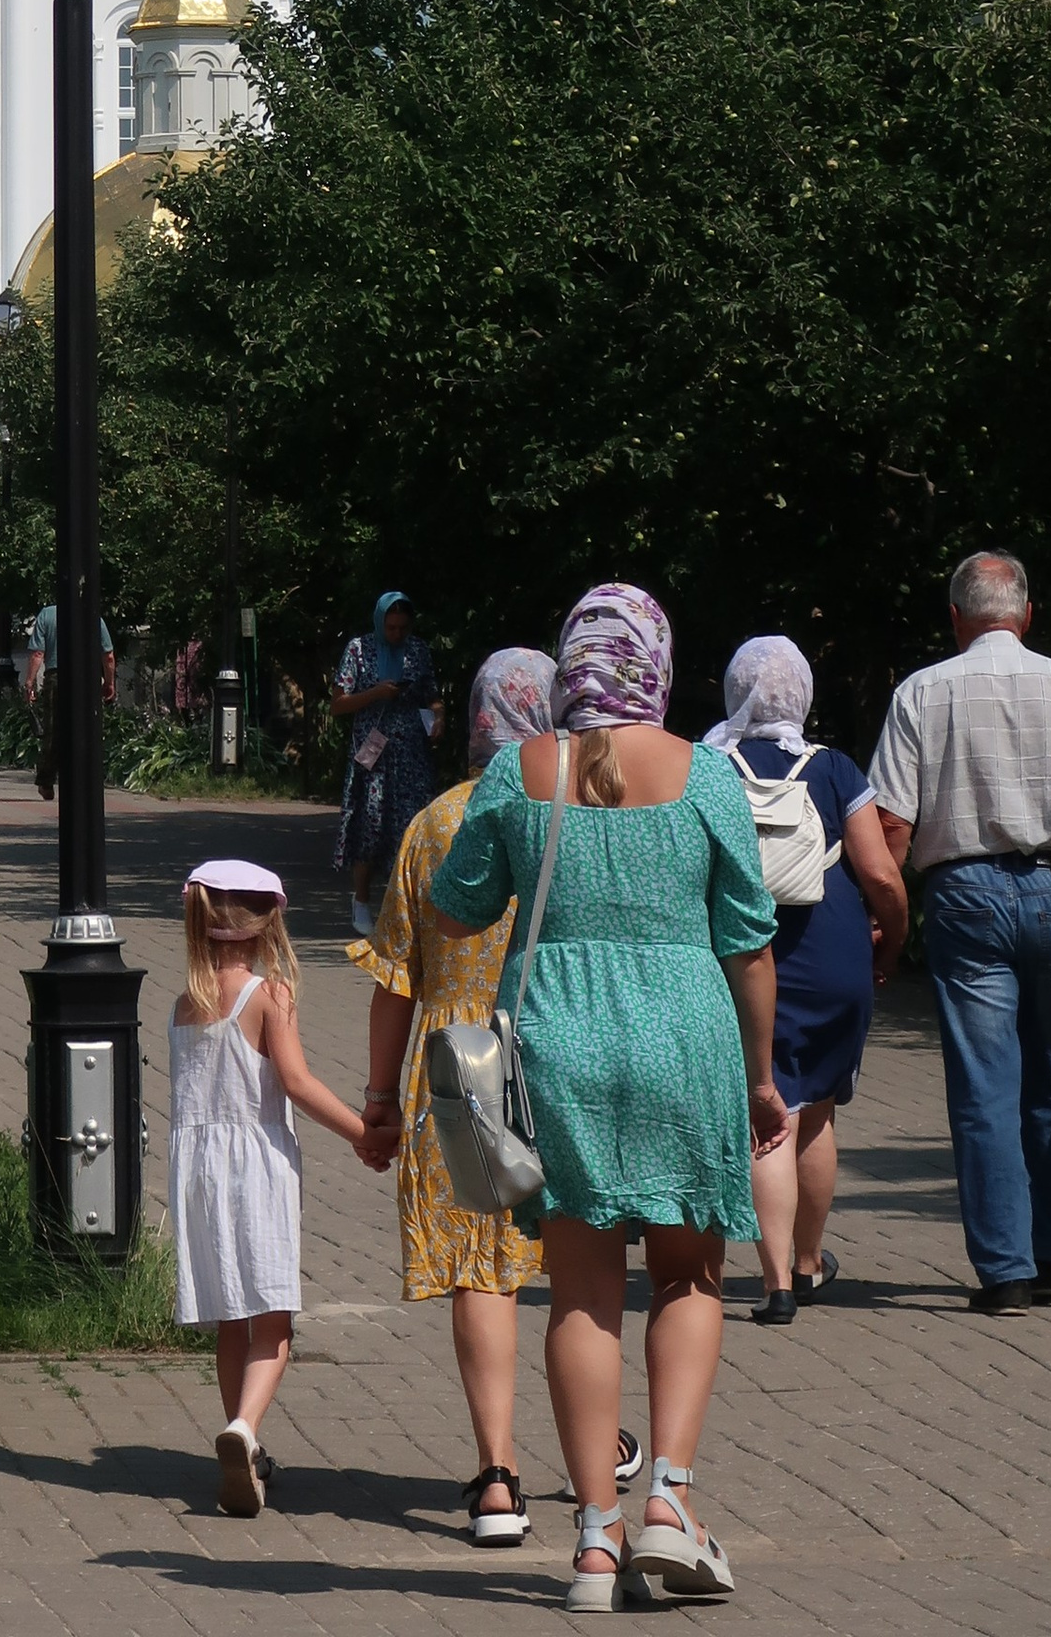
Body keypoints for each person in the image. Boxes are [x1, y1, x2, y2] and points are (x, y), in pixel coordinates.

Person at [433, 583, 784, 1614]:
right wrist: (761, 1074)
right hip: (684, 1033)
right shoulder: (707, 775)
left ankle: (593, 1545)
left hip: (557, 1039)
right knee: (687, 1275)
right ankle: (668, 1501)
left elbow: (456, 910)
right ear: (658, 665)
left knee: (581, 1292)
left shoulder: (517, 768)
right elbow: (749, 940)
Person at [864, 547, 1051, 1316]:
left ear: (956, 618)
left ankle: (1004, 1270)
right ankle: (1050, 1251)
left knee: (983, 1083)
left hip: (964, 897)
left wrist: (881, 927)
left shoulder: (920, 693)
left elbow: (891, 822)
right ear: (1026, 615)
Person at [354, 645, 555, 1548]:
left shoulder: (436, 824)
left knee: (482, 1264)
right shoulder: (579, 816)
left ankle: (499, 1476)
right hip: (568, 1048)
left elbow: (396, 975)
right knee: (582, 1261)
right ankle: (610, 1446)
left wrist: (379, 1097)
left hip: (467, 1054)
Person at [702, 634, 908, 1321]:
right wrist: (893, 941)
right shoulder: (837, 769)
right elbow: (879, 873)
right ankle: (809, 1264)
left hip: (741, 960)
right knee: (815, 1114)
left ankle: (773, 1285)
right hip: (834, 955)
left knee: (769, 1116)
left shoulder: (705, 766)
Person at [169, 855, 378, 1519]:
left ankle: (244, 1448)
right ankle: (245, 1430)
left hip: (198, 1170)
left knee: (233, 1317)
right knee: (274, 1322)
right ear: (270, 925)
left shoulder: (185, 1004)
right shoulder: (270, 995)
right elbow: (297, 1084)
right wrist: (361, 1133)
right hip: (255, 1165)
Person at [334, 589, 443, 937]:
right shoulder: (359, 650)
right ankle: (362, 900)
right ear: (380, 623)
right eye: (391, 628)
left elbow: (433, 696)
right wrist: (375, 694)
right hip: (373, 753)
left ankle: (404, 908)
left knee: (410, 828)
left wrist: (439, 718)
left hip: (410, 754)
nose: (396, 635)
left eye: (402, 628)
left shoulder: (417, 651)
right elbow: (338, 704)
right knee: (370, 825)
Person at [27, 596, 115, 803]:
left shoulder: (47, 615)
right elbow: (108, 655)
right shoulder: (93, 616)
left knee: (52, 729)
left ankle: (46, 781)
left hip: (56, 677)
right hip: (87, 678)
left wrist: (30, 683)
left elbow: (38, 653)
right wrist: (109, 683)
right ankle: (86, 779)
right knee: (87, 728)